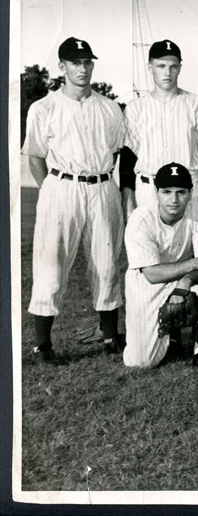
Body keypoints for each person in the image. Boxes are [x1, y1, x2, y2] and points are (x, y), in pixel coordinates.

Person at [23, 37, 127, 363]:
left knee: (107, 264)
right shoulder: (44, 107)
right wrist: (52, 191)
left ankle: (110, 336)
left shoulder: (109, 108)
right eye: (75, 63)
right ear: (62, 67)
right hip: (61, 187)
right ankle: (42, 345)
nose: (82, 69)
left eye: (87, 62)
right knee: (51, 264)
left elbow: (114, 151)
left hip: (101, 185)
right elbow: (36, 157)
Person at [123, 163, 198, 371]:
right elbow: (151, 274)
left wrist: (186, 281)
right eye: (167, 192)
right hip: (147, 284)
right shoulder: (140, 219)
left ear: (190, 193)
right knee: (140, 362)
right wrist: (193, 263)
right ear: (156, 193)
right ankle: (171, 337)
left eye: (181, 192)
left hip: (185, 278)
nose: (174, 199)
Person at [120, 39, 198, 215]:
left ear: (180, 68)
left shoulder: (197, 103)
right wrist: (128, 197)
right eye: (161, 66)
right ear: (150, 67)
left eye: (173, 66)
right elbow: (128, 157)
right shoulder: (135, 107)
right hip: (148, 188)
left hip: (186, 188)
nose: (167, 72)